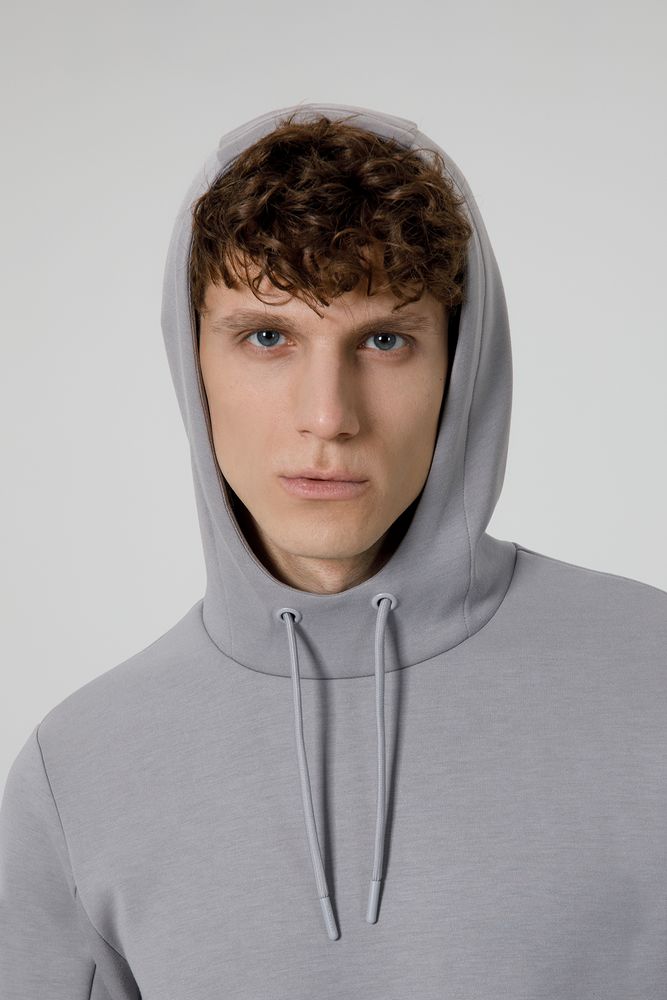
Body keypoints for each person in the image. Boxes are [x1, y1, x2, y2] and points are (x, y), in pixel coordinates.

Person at [1, 101, 666, 999]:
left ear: (459, 365)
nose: (328, 415)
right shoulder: (78, 772)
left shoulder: (650, 677)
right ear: (192, 362)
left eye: (385, 340)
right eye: (267, 337)